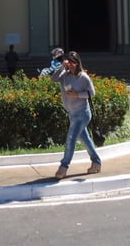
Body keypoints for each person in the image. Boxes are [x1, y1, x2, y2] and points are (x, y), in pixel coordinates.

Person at [50, 50, 102, 179]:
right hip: (72, 113)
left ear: (78, 63)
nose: (72, 65)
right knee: (85, 139)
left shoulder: (83, 77)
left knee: (71, 139)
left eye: (74, 63)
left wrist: (77, 95)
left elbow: (92, 93)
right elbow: (53, 79)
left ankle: (63, 167)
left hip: (82, 113)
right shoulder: (65, 75)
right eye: (70, 62)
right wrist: (61, 67)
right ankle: (96, 162)